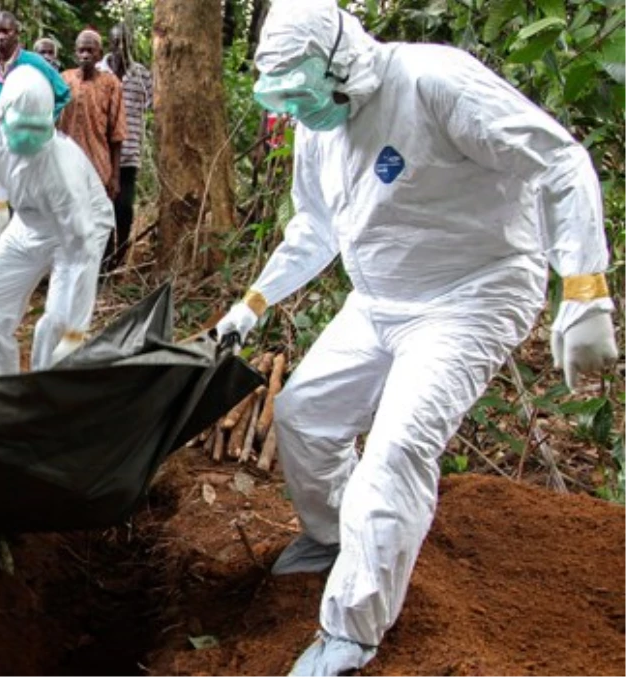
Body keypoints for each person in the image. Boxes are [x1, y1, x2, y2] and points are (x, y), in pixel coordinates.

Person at [209, 2, 619, 673]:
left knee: (396, 449)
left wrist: (584, 287)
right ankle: (334, 532)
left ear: (340, 64)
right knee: (303, 413)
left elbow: (558, 162)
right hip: (378, 299)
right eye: (284, 98)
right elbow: (313, 229)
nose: (299, 110)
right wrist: (251, 304)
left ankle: (350, 630)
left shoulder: (434, 82)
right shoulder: (319, 129)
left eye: (303, 91)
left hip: (472, 293)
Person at [0, 66, 113, 377]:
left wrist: (76, 328)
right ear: (2, 116)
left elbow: (81, 253)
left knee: (53, 329)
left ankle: (47, 406)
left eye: (37, 130)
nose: (28, 140)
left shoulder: (62, 172)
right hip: (28, 221)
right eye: (20, 128)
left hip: (77, 229)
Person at [0, 10, 70, 258]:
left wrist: (41, 122)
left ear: (17, 33)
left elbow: (62, 93)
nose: (1, 37)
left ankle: (23, 274)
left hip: (24, 153)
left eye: (7, 31)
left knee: (24, 215)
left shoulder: (32, 63)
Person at [97, 23, 152, 271]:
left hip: (129, 155)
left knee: (124, 209)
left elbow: (152, 105)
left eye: (125, 42)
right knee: (102, 208)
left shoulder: (141, 76)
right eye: (116, 42)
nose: (121, 47)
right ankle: (104, 260)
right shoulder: (99, 72)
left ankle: (119, 258)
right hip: (101, 155)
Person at [57, 29, 125, 213]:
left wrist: (115, 177)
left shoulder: (111, 84)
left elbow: (117, 133)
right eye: (81, 51)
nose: (85, 55)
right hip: (66, 166)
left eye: (90, 51)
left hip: (98, 167)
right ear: (75, 53)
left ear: (99, 55)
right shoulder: (63, 80)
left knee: (98, 220)